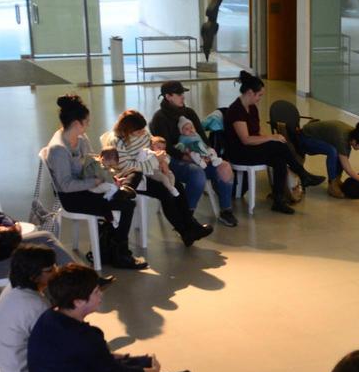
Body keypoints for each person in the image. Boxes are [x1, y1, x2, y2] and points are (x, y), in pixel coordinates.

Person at [27, 264, 192, 372]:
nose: (101, 296)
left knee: (140, 363)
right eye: (96, 292)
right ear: (77, 302)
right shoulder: (86, 337)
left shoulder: (48, 318)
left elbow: (71, 355)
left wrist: (110, 358)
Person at [44, 94, 145, 270]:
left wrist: (110, 175)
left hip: (90, 186)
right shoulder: (58, 149)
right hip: (73, 197)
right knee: (127, 205)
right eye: (87, 122)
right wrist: (96, 181)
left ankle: (121, 190)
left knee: (135, 172)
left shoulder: (81, 139)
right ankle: (121, 254)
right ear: (77, 123)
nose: (88, 125)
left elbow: (94, 162)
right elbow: (65, 186)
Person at [105, 109, 213, 246]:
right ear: (128, 131)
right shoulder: (117, 141)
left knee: (177, 185)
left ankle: (190, 225)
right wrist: (154, 161)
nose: (143, 133)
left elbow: (155, 148)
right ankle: (184, 230)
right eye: (138, 132)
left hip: (152, 170)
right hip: (132, 179)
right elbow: (126, 167)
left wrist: (163, 160)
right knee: (165, 192)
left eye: (143, 130)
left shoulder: (143, 133)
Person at [149, 80, 238, 227]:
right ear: (168, 96)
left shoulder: (189, 113)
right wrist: (187, 157)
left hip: (198, 157)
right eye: (179, 94)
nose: (183, 97)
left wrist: (207, 153)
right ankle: (186, 217)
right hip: (173, 162)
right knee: (197, 173)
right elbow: (166, 148)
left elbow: (202, 137)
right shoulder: (160, 118)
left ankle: (226, 210)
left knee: (225, 167)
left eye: (183, 93)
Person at [224, 71, 315, 215]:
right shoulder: (236, 110)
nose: (260, 99)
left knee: (279, 159)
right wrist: (271, 137)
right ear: (249, 92)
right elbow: (246, 139)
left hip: (251, 148)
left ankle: (278, 200)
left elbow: (257, 134)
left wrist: (270, 138)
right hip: (239, 152)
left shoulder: (252, 108)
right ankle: (303, 174)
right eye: (259, 95)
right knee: (277, 144)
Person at [0, 244, 55, 372]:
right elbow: (55, 346)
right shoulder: (36, 305)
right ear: (33, 276)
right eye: (50, 270)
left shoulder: (12, 289)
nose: (56, 271)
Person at [297, 118, 359, 199]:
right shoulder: (342, 138)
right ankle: (332, 185)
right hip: (304, 138)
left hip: (315, 136)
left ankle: (337, 179)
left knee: (342, 152)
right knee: (332, 151)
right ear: (354, 141)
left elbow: (344, 160)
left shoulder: (353, 133)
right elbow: (348, 170)